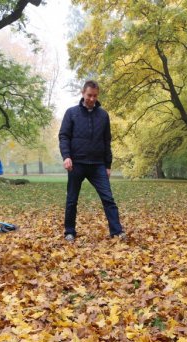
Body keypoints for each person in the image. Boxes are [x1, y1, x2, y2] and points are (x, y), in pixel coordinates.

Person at [58, 80, 125, 242]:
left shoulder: (103, 115)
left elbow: (106, 140)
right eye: (89, 95)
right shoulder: (71, 113)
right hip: (77, 164)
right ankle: (69, 232)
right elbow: (64, 136)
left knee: (108, 198)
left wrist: (108, 165)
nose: (92, 99)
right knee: (72, 199)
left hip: (97, 165)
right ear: (83, 93)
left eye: (95, 96)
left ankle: (116, 232)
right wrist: (66, 156)